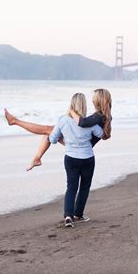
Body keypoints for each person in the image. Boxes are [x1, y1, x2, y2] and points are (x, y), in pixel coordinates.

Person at [4, 88, 112, 171]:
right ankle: (37, 158)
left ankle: (15, 122)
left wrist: (71, 110)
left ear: (99, 100)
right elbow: (88, 126)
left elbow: (82, 122)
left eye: (94, 97)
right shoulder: (103, 116)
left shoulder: (98, 116)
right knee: (48, 130)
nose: (92, 99)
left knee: (47, 129)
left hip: (80, 143)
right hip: (82, 141)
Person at [48, 93, 103, 227]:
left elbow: (52, 139)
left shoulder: (63, 120)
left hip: (71, 158)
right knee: (84, 187)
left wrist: (66, 141)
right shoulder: (89, 122)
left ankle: (68, 216)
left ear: (71, 104)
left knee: (71, 187)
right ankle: (78, 214)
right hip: (87, 158)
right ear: (84, 105)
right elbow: (101, 134)